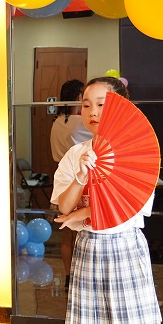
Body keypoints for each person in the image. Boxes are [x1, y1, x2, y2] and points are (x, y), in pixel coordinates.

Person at [51, 76, 160, 324]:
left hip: (125, 246)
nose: (92, 111)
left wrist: (80, 215)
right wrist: (82, 176)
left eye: (101, 104)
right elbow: (63, 206)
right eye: (86, 104)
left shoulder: (138, 154)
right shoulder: (75, 154)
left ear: (121, 108)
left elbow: (126, 209)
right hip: (89, 249)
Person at [50, 79, 93, 286]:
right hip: (78, 172)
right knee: (79, 230)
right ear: (79, 97)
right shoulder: (79, 123)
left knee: (67, 233)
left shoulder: (56, 122)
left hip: (61, 173)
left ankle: (68, 275)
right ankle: (77, 275)